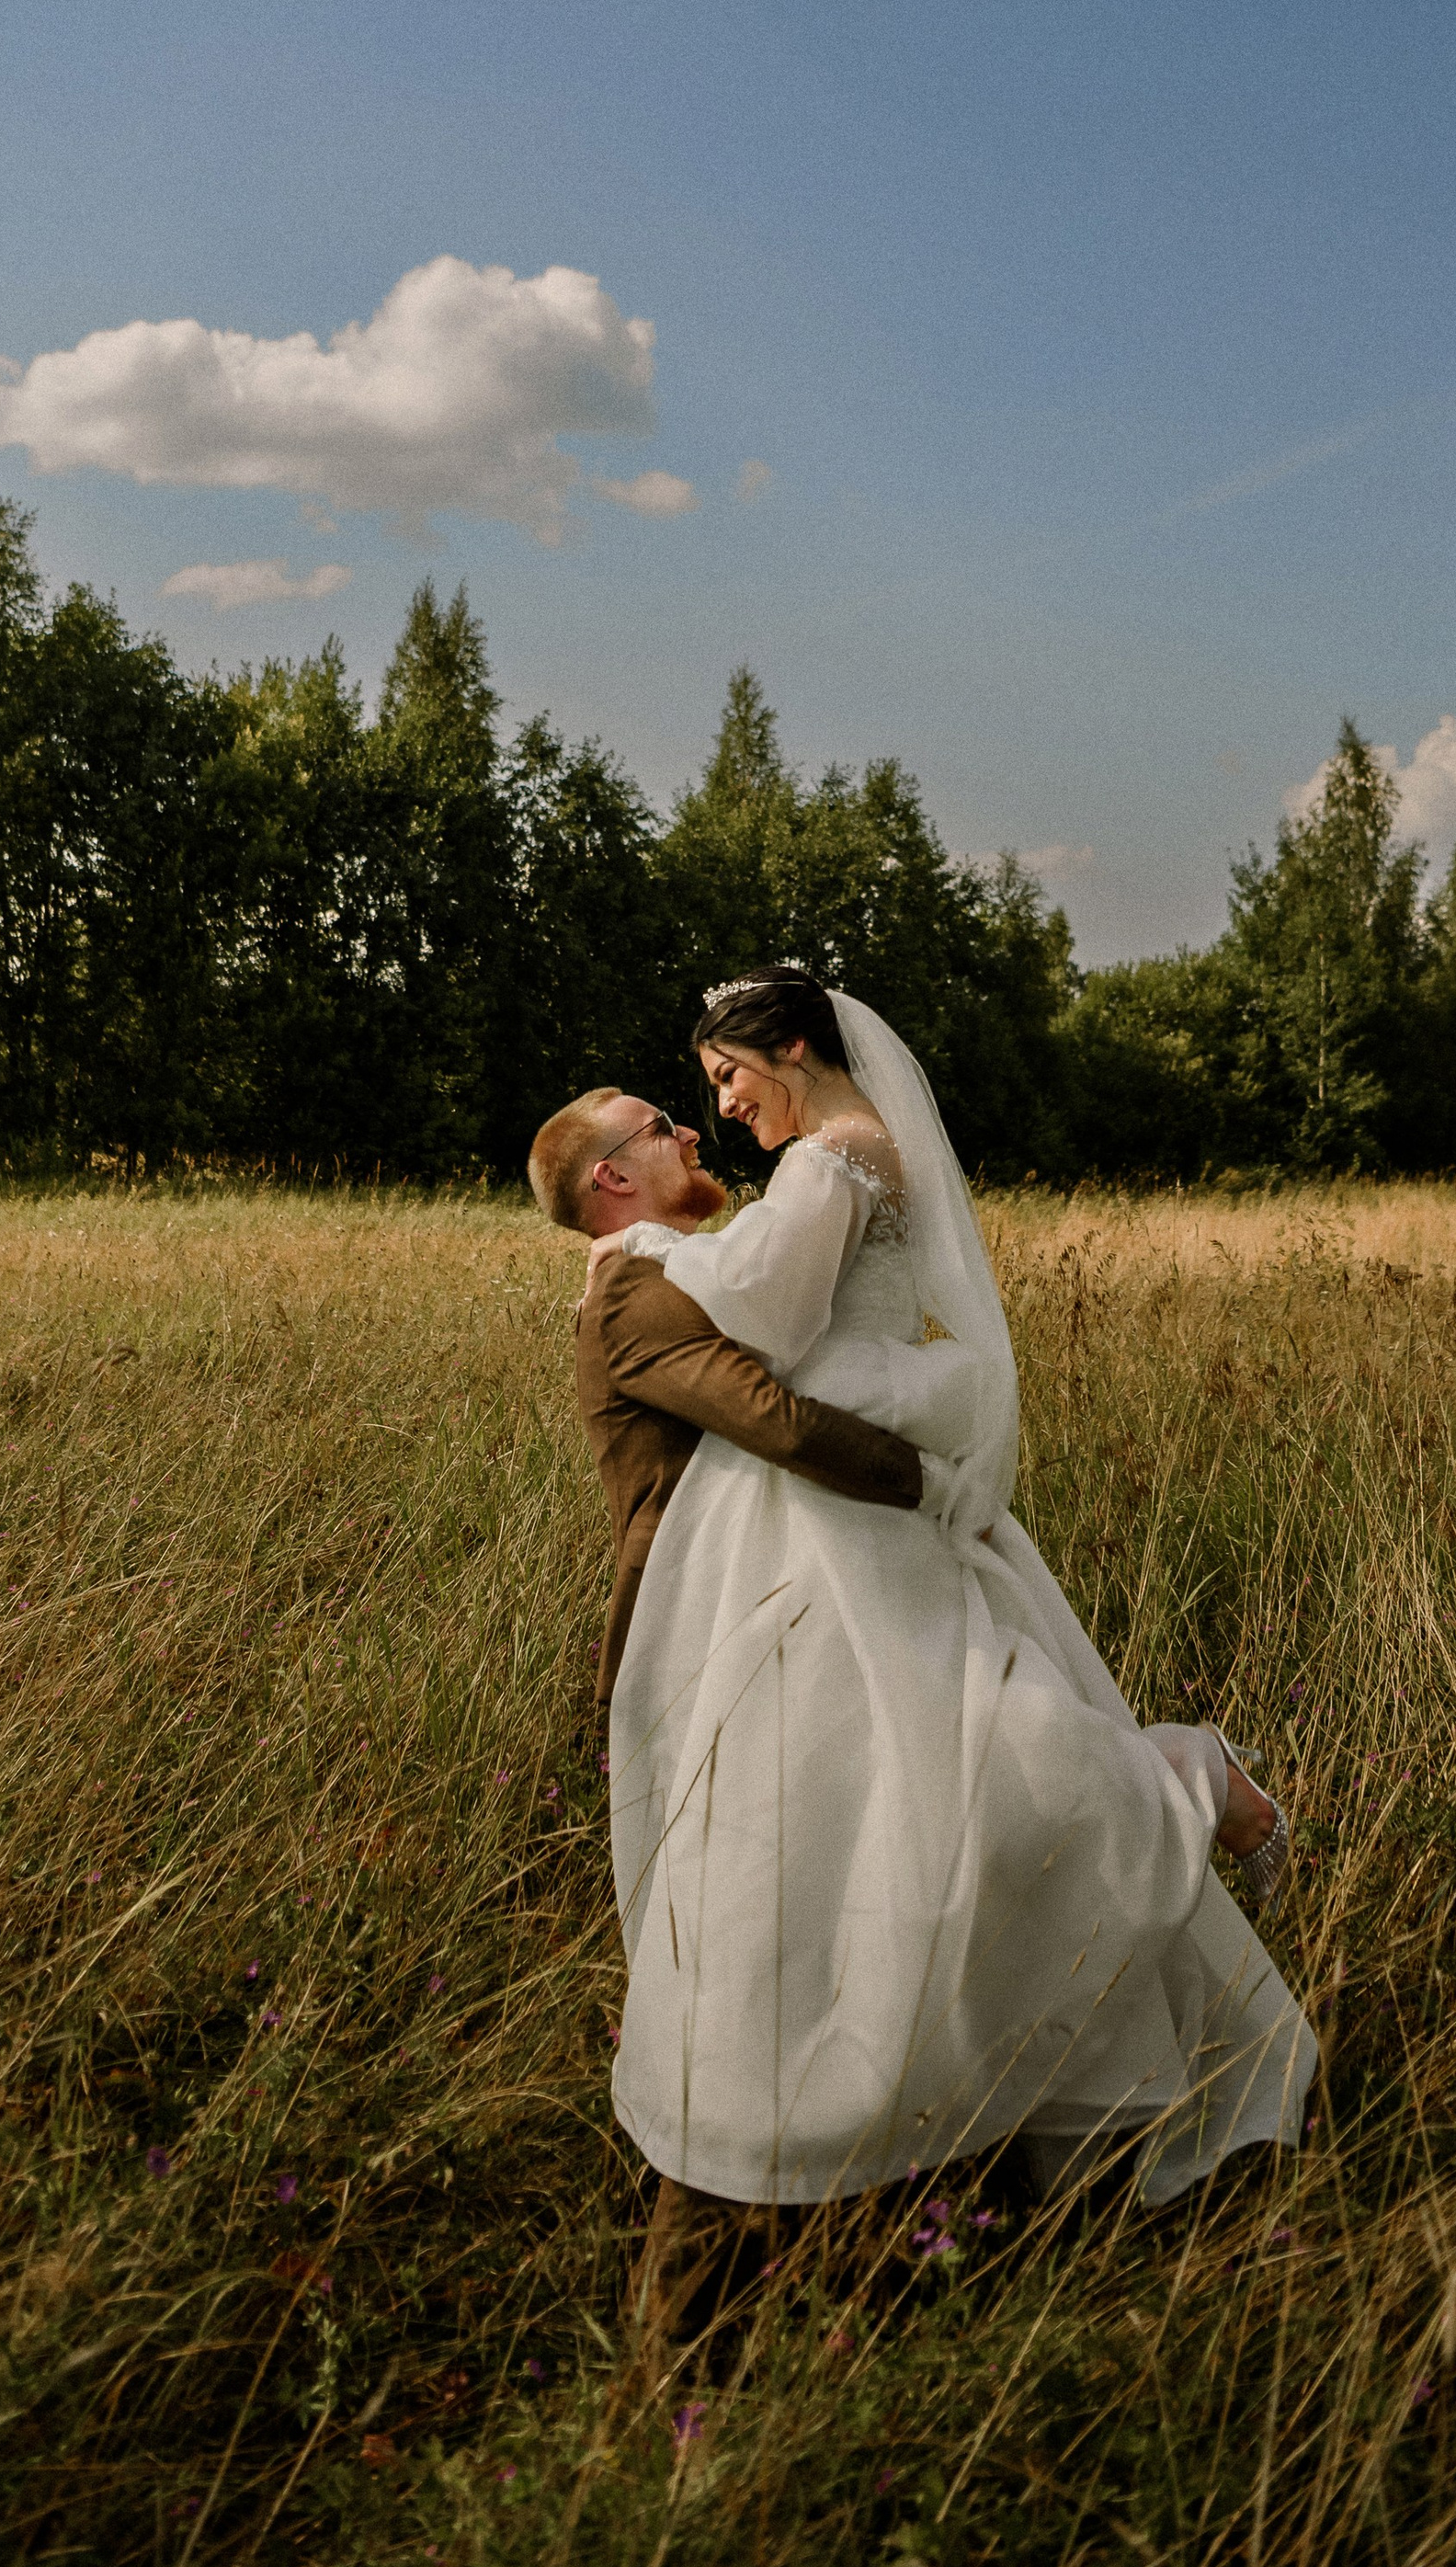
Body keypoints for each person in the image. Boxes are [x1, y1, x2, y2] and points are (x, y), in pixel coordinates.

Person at [587, 969, 1315, 2217]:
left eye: (728, 1077)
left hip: (838, 1490)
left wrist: (651, 1247)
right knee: (893, 1774)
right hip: (830, 1492)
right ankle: (922, 2079)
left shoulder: (831, 1159)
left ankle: (1186, 1782)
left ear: (794, 1047)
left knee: (950, 1759)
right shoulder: (844, 1154)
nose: (722, 1107)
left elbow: (769, 1314)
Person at [527, 1078, 944, 2344]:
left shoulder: (669, 1270)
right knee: (736, 1963)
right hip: (700, 1649)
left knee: (807, 1931)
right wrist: (935, 1475)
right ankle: (681, 2326)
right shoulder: (630, 1292)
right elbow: (766, 1417)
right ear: (611, 1177)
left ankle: (841, 2239)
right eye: (660, 1125)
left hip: (767, 1638)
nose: (689, 1131)